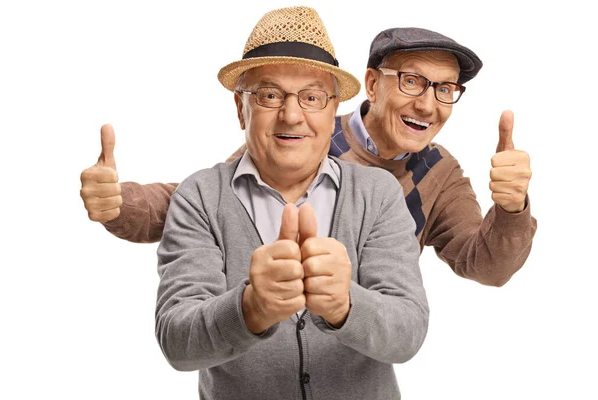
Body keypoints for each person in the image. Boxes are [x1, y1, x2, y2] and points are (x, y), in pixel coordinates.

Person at [80, 19, 537, 288]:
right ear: (373, 84)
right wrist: (120, 202)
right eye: (412, 81)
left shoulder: (440, 172)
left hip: (359, 358)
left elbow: (487, 265)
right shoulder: (310, 134)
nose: (427, 104)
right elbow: (205, 200)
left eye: (445, 89)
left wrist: (512, 208)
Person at [128, 6, 427, 399]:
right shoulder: (199, 196)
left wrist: (346, 305)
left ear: (334, 109)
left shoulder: (378, 193)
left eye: (312, 97)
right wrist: (250, 308)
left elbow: (408, 333)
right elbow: (177, 343)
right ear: (241, 108)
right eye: (269, 95)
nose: (291, 115)